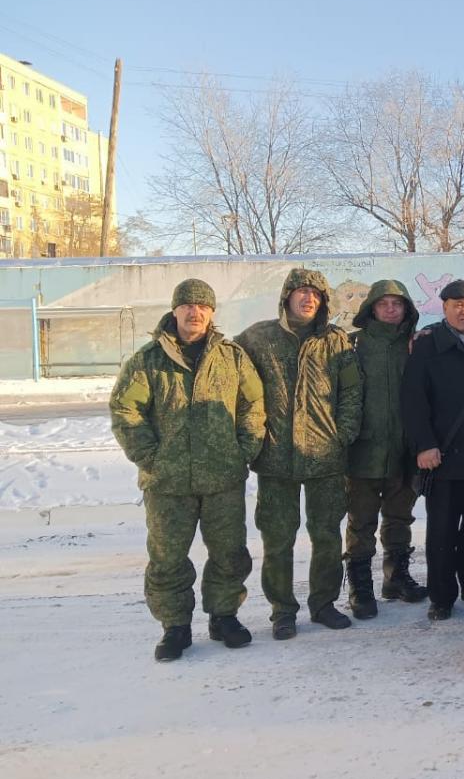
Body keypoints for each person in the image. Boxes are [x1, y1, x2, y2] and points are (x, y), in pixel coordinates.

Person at [110, 279, 265, 662]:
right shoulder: (148, 360)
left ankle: (224, 616)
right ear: (175, 310)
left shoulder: (232, 357)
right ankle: (175, 626)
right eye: (187, 305)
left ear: (212, 313)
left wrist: (242, 451)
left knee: (229, 553)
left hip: (222, 478)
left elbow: (254, 405)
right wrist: (150, 457)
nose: (194, 312)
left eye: (202, 306)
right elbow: (125, 410)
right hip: (168, 482)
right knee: (167, 558)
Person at [236, 269, 362, 640]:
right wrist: (253, 435)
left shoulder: (335, 342)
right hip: (276, 458)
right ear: (287, 296)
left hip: (326, 456)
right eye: (302, 292)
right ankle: (282, 610)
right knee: (278, 539)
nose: (308, 299)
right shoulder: (258, 338)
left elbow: (352, 393)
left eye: (316, 294)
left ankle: (323, 604)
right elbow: (234, 381)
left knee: (326, 535)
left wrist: (344, 433)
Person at [402, 280, 464, 621]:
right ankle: (442, 596)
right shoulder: (428, 346)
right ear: (444, 308)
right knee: (442, 533)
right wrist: (425, 445)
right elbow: (413, 402)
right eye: (458, 305)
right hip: (444, 457)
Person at [344, 280, 427, 621]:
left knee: (399, 516)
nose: (391, 309)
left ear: (407, 309)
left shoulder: (417, 346)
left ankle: (396, 578)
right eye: (384, 303)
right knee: (361, 520)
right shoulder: (354, 346)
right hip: (363, 449)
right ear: (372, 309)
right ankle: (360, 587)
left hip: (403, 448)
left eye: (398, 303)